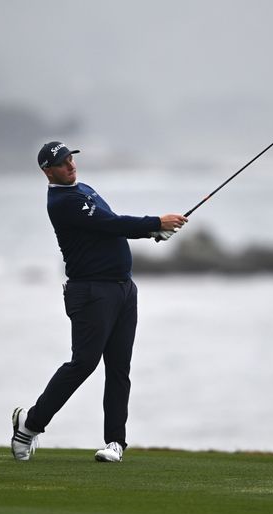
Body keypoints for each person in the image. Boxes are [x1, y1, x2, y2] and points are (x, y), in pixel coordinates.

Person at [11, 141, 187, 463]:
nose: (70, 164)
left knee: (119, 367)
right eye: (62, 163)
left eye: (70, 158)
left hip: (122, 290)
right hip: (91, 292)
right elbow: (111, 225)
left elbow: (107, 228)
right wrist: (154, 223)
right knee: (84, 363)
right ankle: (30, 423)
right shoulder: (61, 202)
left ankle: (115, 443)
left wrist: (151, 234)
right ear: (47, 171)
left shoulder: (84, 189)